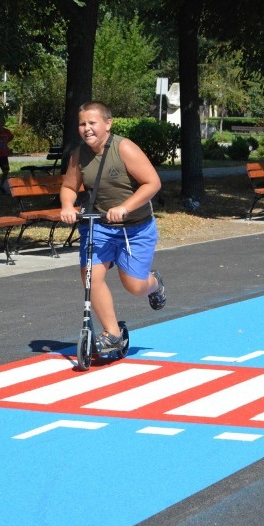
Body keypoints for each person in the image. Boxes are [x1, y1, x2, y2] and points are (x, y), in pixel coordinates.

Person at [60, 101, 166, 351]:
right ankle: (113, 334)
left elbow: (152, 183)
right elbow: (68, 187)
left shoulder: (124, 148)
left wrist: (125, 207)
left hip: (135, 228)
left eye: (92, 123)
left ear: (108, 124)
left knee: (135, 286)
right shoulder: (79, 155)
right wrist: (66, 206)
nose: (86, 128)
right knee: (90, 276)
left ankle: (155, 284)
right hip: (100, 225)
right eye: (82, 123)